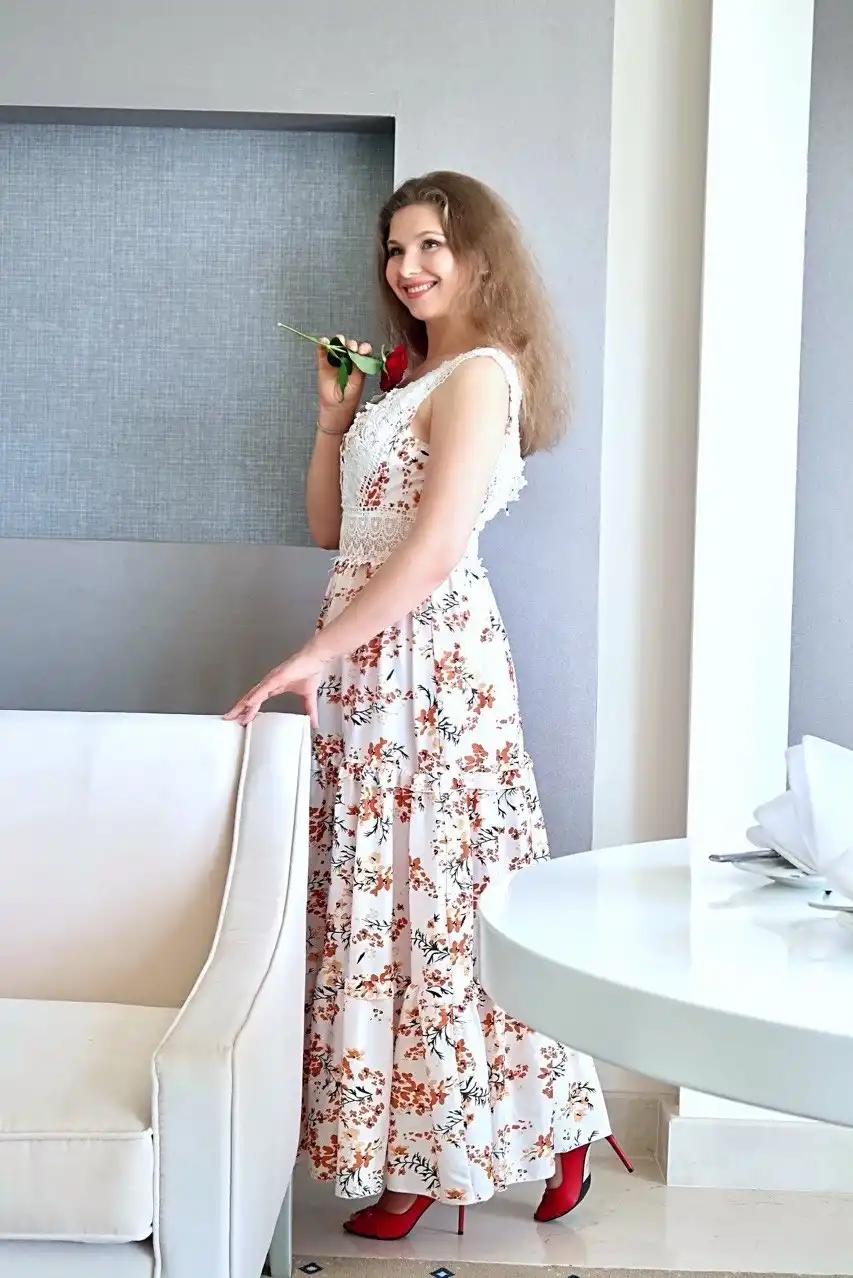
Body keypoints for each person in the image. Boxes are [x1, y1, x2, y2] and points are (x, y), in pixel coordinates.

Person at [225, 171, 627, 1241]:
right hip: (366, 661)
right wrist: (334, 420)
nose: (407, 268)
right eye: (395, 249)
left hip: (428, 666)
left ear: (480, 257)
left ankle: (467, 1146)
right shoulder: (411, 380)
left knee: (441, 898)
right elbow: (335, 533)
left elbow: (438, 548)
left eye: (431, 246)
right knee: (380, 901)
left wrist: (312, 654)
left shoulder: (482, 376)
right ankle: (423, 1146)